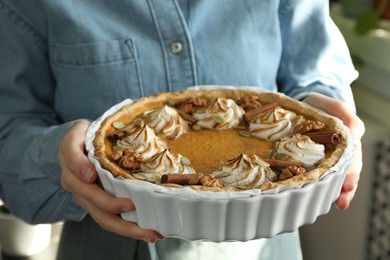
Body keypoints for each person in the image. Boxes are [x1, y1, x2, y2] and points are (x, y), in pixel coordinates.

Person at [0, 0, 364, 259]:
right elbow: (8, 132)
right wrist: (56, 153)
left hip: (266, 246)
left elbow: (313, 71)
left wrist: (327, 105)